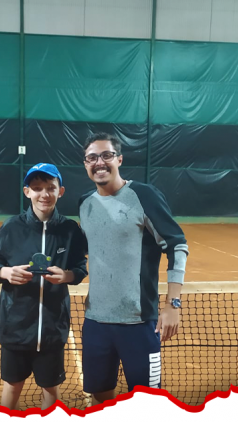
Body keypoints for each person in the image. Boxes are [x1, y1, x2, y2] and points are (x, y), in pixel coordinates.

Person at [78, 133, 188, 405]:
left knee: (147, 402)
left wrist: (173, 304)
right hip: (96, 322)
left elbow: (176, 245)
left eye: (106, 155)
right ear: (86, 164)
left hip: (138, 323)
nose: (99, 162)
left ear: (119, 159)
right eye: (92, 157)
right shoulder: (84, 203)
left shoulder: (144, 195)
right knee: (100, 396)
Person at [0, 163, 87, 410]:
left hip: (53, 328)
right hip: (15, 326)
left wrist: (67, 276)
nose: (44, 194)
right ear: (27, 192)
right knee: (12, 385)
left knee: (50, 388)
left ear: (61, 191)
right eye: (37, 188)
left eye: (50, 187)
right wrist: (5, 272)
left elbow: (80, 268)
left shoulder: (70, 230)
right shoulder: (11, 227)